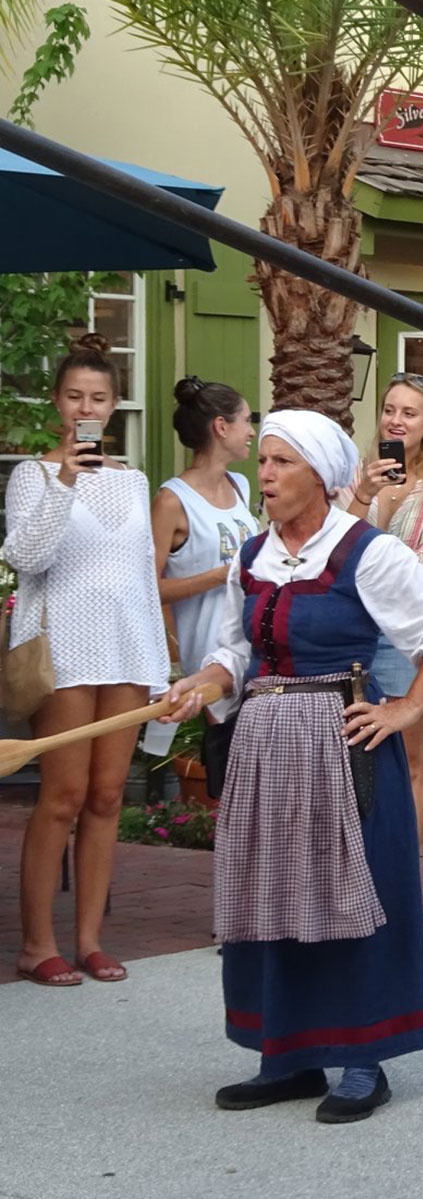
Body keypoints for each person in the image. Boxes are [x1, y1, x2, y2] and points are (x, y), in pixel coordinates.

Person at [161, 410, 423, 1123]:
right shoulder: (252, 556)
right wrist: (201, 686)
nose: (264, 474)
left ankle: (364, 1055)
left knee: (351, 889)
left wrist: (405, 708)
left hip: (343, 746)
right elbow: (233, 653)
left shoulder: (365, 551)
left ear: (322, 477)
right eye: (264, 459)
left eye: (280, 462)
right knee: (273, 886)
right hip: (265, 744)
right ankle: (289, 1053)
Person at [7, 334, 172, 987]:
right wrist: (66, 481)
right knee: (62, 795)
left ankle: (90, 938)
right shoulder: (34, 475)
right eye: (75, 395)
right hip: (65, 650)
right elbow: (25, 557)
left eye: (98, 397)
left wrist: (160, 667)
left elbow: (142, 578)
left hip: (127, 649)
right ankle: (36, 942)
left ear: (113, 406)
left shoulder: (133, 482)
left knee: (107, 796)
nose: (87, 406)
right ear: (57, 403)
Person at [348, 373, 423, 833]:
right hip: (352, 626)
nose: (396, 421)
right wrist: (363, 496)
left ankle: (408, 876)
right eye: (389, 410)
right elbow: (331, 544)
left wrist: (364, 564)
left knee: (407, 756)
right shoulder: (360, 474)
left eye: (409, 413)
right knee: (354, 749)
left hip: (404, 630)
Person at [140, 376, 259, 761]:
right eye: (245, 420)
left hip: (254, 646)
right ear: (221, 427)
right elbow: (148, 588)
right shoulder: (172, 500)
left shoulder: (241, 486)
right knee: (233, 764)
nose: (251, 431)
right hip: (208, 654)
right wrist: (218, 575)